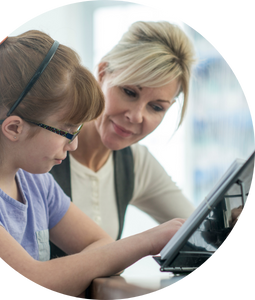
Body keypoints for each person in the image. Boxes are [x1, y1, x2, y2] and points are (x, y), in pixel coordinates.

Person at [0, 30, 185, 299]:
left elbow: (100, 243)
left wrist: (65, 276)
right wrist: (148, 241)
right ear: (15, 128)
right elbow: (33, 280)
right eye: (67, 132)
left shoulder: (36, 182)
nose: (73, 145)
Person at [49, 21, 197, 258]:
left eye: (156, 107)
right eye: (129, 92)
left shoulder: (136, 163)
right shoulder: (41, 146)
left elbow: (199, 231)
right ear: (102, 73)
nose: (136, 116)